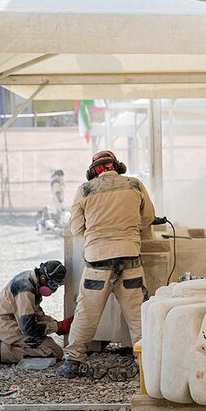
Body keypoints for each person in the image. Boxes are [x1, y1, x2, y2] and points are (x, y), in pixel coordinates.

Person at [57, 150, 155, 378]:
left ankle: (73, 362)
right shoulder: (134, 184)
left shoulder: (85, 190)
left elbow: (76, 229)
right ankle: (147, 363)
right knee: (138, 314)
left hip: (97, 263)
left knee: (86, 313)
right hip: (130, 259)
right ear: (117, 166)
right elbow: (148, 217)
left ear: (94, 171)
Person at [0, 260, 71, 369]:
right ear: (43, 278)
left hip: (15, 321)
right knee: (55, 352)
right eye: (53, 284)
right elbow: (29, 328)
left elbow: (35, 314)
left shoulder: (32, 280)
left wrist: (56, 324)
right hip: (7, 326)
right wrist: (57, 326)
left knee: (50, 344)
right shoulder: (25, 290)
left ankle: (6, 344)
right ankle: (1, 351)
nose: (53, 289)